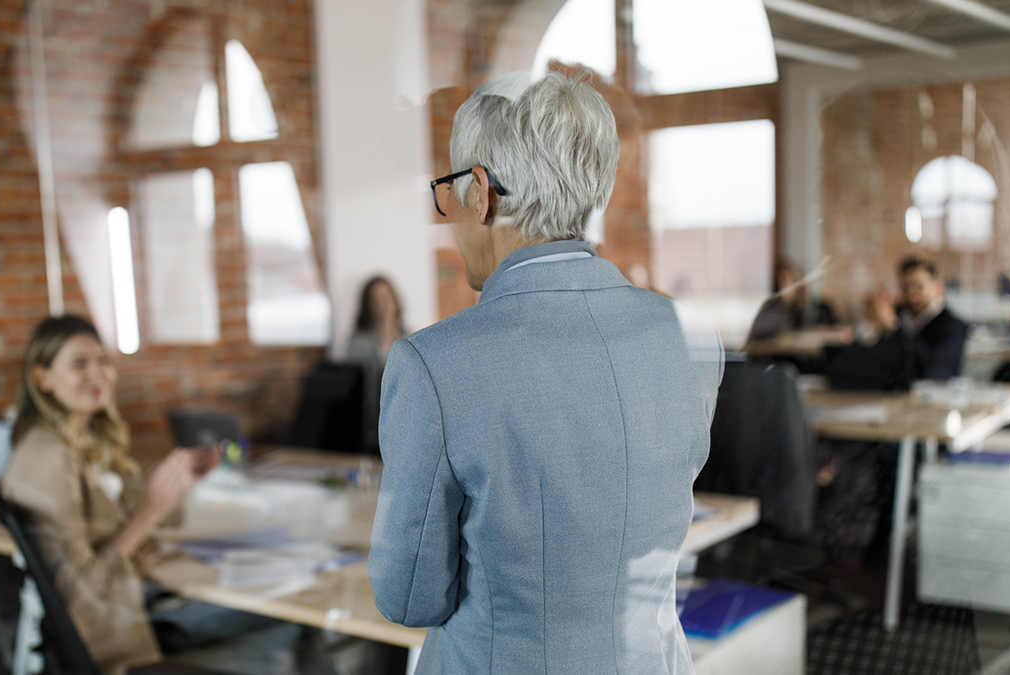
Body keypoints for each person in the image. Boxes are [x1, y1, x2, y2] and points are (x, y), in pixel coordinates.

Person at [368, 72, 723, 674]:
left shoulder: (431, 365)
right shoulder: (691, 336)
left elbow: (409, 597)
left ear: (482, 192)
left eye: (452, 190)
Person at [0, 315, 275, 675]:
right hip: (113, 636)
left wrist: (172, 488)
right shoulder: (49, 458)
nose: (98, 374)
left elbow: (136, 520)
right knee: (270, 618)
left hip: (131, 606)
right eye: (79, 364)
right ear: (42, 378)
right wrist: (150, 510)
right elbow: (82, 590)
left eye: (103, 361)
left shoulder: (77, 444)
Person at [825, 256, 969, 389]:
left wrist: (893, 326)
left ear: (938, 287)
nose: (912, 295)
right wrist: (870, 326)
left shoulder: (954, 327)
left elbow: (932, 371)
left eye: (919, 287)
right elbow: (873, 363)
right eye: (905, 288)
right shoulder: (898, 315)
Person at [346, 276, 406, 453]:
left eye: (386, 297)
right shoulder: (358, 342)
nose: (382, 304)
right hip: (370, 428)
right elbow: (362, 388)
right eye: (375, 299)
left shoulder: (411, 339)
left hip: (404, 428)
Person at [747, 259, 837, 341]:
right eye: (784, 281)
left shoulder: (816, 308)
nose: (789, 287)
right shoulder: (772, 308)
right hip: (774, 356)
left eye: (793, 281)